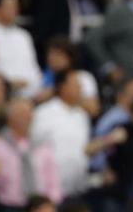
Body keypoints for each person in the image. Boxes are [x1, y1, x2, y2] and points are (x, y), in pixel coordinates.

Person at [0, 99, 62, 209]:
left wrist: (52, 202)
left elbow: (52, 176)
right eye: (21, 114)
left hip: (40, 206)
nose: (27, 118)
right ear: (10, 118)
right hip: (9, 206)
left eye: (29, 113)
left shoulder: (42, 143)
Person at [31, 70, 91, 200]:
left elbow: (83, 149)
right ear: (63, 87)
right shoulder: (44, 113)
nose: (81, 88)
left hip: (77, 188)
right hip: (48, 190)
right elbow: (32, 146)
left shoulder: (82, 116)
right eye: (76, 84)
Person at [0, 0, 42, 98]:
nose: (16, 10)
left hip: (32, 95)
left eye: (16, 6)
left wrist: (37, 89)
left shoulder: (23, 35)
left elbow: (34, 68)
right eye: (11, 6)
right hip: (2, 94)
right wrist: (10, 85)